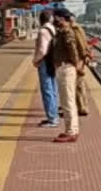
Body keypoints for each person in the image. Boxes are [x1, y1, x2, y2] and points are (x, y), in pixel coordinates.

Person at [51, 8, 81, 143]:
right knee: (66, 101)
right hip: (64, 67)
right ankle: (71, 129)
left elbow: (72, 49)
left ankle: (71, 132)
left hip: (66, 68)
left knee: (67, 101)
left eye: (55, 17)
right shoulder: (62, 32)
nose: (54, 20)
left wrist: (75, 64)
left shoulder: (67, 32)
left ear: (61, 18)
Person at [33, 10, 58, 128]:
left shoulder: (43, 31)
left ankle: (52, 118)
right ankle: (54, 115)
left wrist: (36, 60)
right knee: (53, 88)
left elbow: (42, 50)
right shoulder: (53, 29)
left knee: (47, 89)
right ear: (50, 19)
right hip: (52, 61)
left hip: (44, 61)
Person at [69, 13, 91, 117]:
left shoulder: (75, 29)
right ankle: (82, 106)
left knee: (77, 85)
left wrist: (81, 61)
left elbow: (82, 45)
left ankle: (81, 107)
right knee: (79, 85)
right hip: (78, 61)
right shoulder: (77, 28)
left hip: (77, 61)